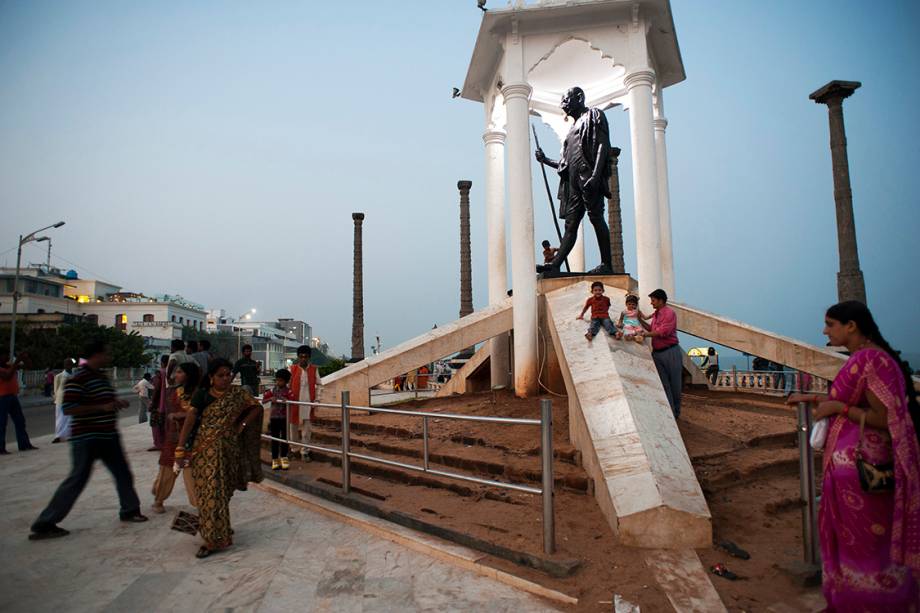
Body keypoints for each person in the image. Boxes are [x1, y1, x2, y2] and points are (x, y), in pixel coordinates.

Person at [786, 301, 920, 609]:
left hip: (867, 474)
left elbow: (885, 418)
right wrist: (816, 398)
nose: (825, 330)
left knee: (868, 548)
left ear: (851, 326)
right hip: (852, 474)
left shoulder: (871, 360)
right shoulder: (864, 359)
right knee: (854, 547)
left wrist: (838, 408)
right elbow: (849, 398)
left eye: (831, 324)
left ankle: (873, 602)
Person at [29, 339, 147, 539]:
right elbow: (69, 408)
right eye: (106, 354)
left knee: (122, 473)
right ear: (96, 355)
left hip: (108, 435)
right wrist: (101, 408)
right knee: (77, 479)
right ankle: (45, 522)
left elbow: (103, 401)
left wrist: (115, 403)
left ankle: (130, 509)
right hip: (87, 437)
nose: (108, 358)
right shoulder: (78, 379)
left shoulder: (100, 377)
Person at [175, 358, 263, 558]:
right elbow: (189, 420)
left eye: (228, 375)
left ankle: (218, 531)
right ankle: (212, 540)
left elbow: (257, 407)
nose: (225, 379)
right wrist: (180, 448)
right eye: (220, 375)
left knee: (221, 495)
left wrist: (241, 425)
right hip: (204, 451)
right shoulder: (202, 395)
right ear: (211, 377)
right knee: (209, 494)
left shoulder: (237, 394)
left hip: (228, 451)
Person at [535, 86, 612, 274]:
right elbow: (565, 164)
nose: (563, 105)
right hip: (573, 183)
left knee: (596, 217)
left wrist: (595, 175)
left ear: (579, 97)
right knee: (570, 225)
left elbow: (603, 145)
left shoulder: (594, 116)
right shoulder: (570, 132)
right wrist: (545, 160)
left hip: (588, 176)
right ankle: (555, 264)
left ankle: (606, 264)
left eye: (566, 100)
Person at [152, 361, 200, 514]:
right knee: (167, 471)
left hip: (192, 439)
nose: (176, 375)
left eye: (180, 372)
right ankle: (158, 500)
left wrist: (182, 414)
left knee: (191, 473)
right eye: (176, 372)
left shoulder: (199, 393)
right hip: (173, 438)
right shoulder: (172, 392)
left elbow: (200, 413)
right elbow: (168, 414)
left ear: (189, 375)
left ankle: (201, 507)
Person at [640, 289, 682, 418]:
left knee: (675, 384)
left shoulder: (669, 313)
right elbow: (652, 329)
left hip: (670, 352)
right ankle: (669, 413)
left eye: (653, 300)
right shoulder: (656, 314)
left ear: (661, 300)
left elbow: (663, 331)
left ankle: (676, 413)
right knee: (664, 385)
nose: (651, 303)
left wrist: (644, 334)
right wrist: (639, 320)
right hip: (658, 353)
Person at [0, 352, 37, 454]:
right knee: (2, 423)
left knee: (20, 421)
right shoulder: (5, 368)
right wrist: (17, 362)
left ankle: (24, 444)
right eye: (5, 355)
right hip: (2, 398)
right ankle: (1, 447)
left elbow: (29, 367)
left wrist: (25, 358)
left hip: (12, 396)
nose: (7, 357)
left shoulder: (11, 366)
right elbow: (7, 376)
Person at [289, 345, 319, 460]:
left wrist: (317, 400)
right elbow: (287, 385)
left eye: (305, 357)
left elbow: (319, 386)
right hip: (294, 402)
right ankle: (294, 449)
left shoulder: (314, 369)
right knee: (293, 427)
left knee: (307, 429)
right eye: (301, 357)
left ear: (309, 358)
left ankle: (305, 451)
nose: (303, 359)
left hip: (308, 402)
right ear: (298, 357)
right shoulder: (292, 369)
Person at [262, 368, 294, 470]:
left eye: (281, 380)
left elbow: (293, 401)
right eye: (277, 380)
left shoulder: (289, 391)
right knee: (274, 439)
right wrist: (270, 399)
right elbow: (263, 400)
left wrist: (287, 401)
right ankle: (275, 459)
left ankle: (284, 458)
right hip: (274, 418)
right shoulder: (272, 391)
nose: (278, 382)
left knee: (284, 439)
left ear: (286, 381)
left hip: (284, 418)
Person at [148, 355, 170, 451]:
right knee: (165, 424)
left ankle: (158, 443)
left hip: (159, 403)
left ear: (162, 363)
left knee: (155, 424)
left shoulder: (160, 373)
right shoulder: (172, 372)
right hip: (168, 403)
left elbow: (156, 388)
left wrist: (152, 402)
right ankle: (165, 443)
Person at [51, 359, 76, 443]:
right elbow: (56, 389)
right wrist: (55, 398)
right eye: (67, 364)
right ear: (64, 366)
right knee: (59, 418)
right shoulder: (59, 376)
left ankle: (69, 436)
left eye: (70, 364)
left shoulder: (74, 375)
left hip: (71, 399)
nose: (69, 366)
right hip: (60, 399)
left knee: (70, 419)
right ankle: (58, 436)